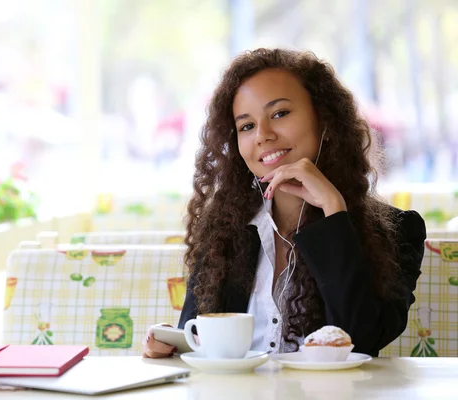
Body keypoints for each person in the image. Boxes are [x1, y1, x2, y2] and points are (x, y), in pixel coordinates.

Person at [142, 48, 425, 359]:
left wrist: (334, 210)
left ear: (325, 121)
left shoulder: (399, 231)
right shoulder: (223, 229)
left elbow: (362, 341)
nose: (262, 135)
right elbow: (197, 337)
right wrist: (169, 345)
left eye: (279, 114)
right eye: (246, 126)